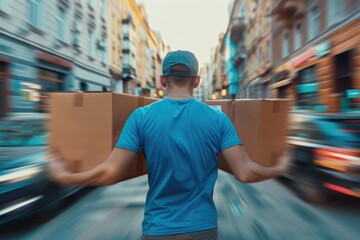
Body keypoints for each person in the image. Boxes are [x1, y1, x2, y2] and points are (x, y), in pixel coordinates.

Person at [49, 50, 290, 240]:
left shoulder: (140, 117)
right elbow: (245, 172)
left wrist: (67, 175)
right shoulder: (218, 119)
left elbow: (111, 172)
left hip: (157, 229)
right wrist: (278, 168)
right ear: (196, 81)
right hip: (202, 228)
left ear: (163, 80)